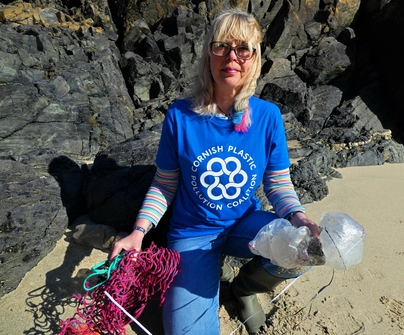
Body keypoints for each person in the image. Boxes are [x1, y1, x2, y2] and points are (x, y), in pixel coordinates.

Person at [109, 8, 320, 335]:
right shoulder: (180, 116)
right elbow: (164, 185)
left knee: (302, 247)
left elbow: (277, 184)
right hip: (193, 234)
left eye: (243, 49)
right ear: (209, 52)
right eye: (221, 46)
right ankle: (211, 272)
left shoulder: (267, 117)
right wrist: (139, 231)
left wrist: (299, 218)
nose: (231, 57)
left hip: (244, 225)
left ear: (255, 58)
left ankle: (244, 291)